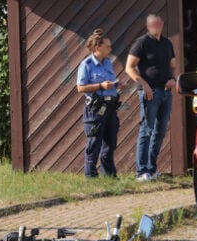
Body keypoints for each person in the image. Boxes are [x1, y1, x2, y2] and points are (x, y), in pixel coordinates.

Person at [126, 14, 177, 181]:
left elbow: (173, 66)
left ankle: (152, 169)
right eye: (151, 24)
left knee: (160, 131)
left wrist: (173, 79)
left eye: (157, 23)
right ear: (147, 25)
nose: (154, 25)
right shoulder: (142, 43)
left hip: (165, 92)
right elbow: (129, 67)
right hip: (150, 92)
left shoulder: (167, 43)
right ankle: (141, 172)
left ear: (162, 24)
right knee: (146, 130)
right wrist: (144, 85)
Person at [76, 30, 121, 178]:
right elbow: (80, 88)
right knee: (94, 142)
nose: (110, 49)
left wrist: (115, 86)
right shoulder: (87, 65)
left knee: (110, 141)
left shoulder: (108, 63)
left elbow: (109, 83)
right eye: (107, 46)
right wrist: (100, 86)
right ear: (97, 47)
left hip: (110, 107)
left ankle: (109, 175)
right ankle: (91, 176)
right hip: (95, 109)